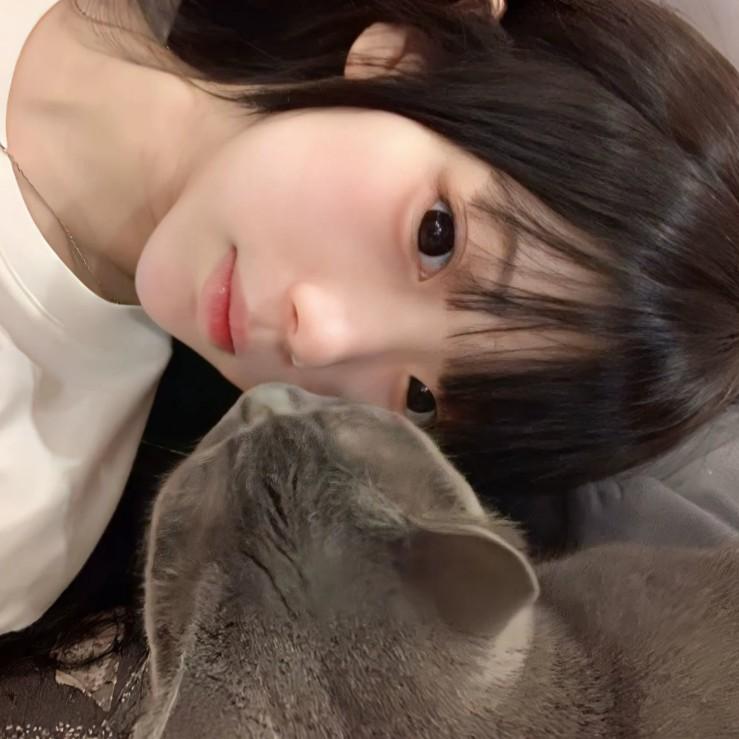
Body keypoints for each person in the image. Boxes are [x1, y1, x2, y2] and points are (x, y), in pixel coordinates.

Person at [3, 0, 739, 638]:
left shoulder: (28, 503)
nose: (320, 340)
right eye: (435, 236)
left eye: (419, 398)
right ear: (406, 60)